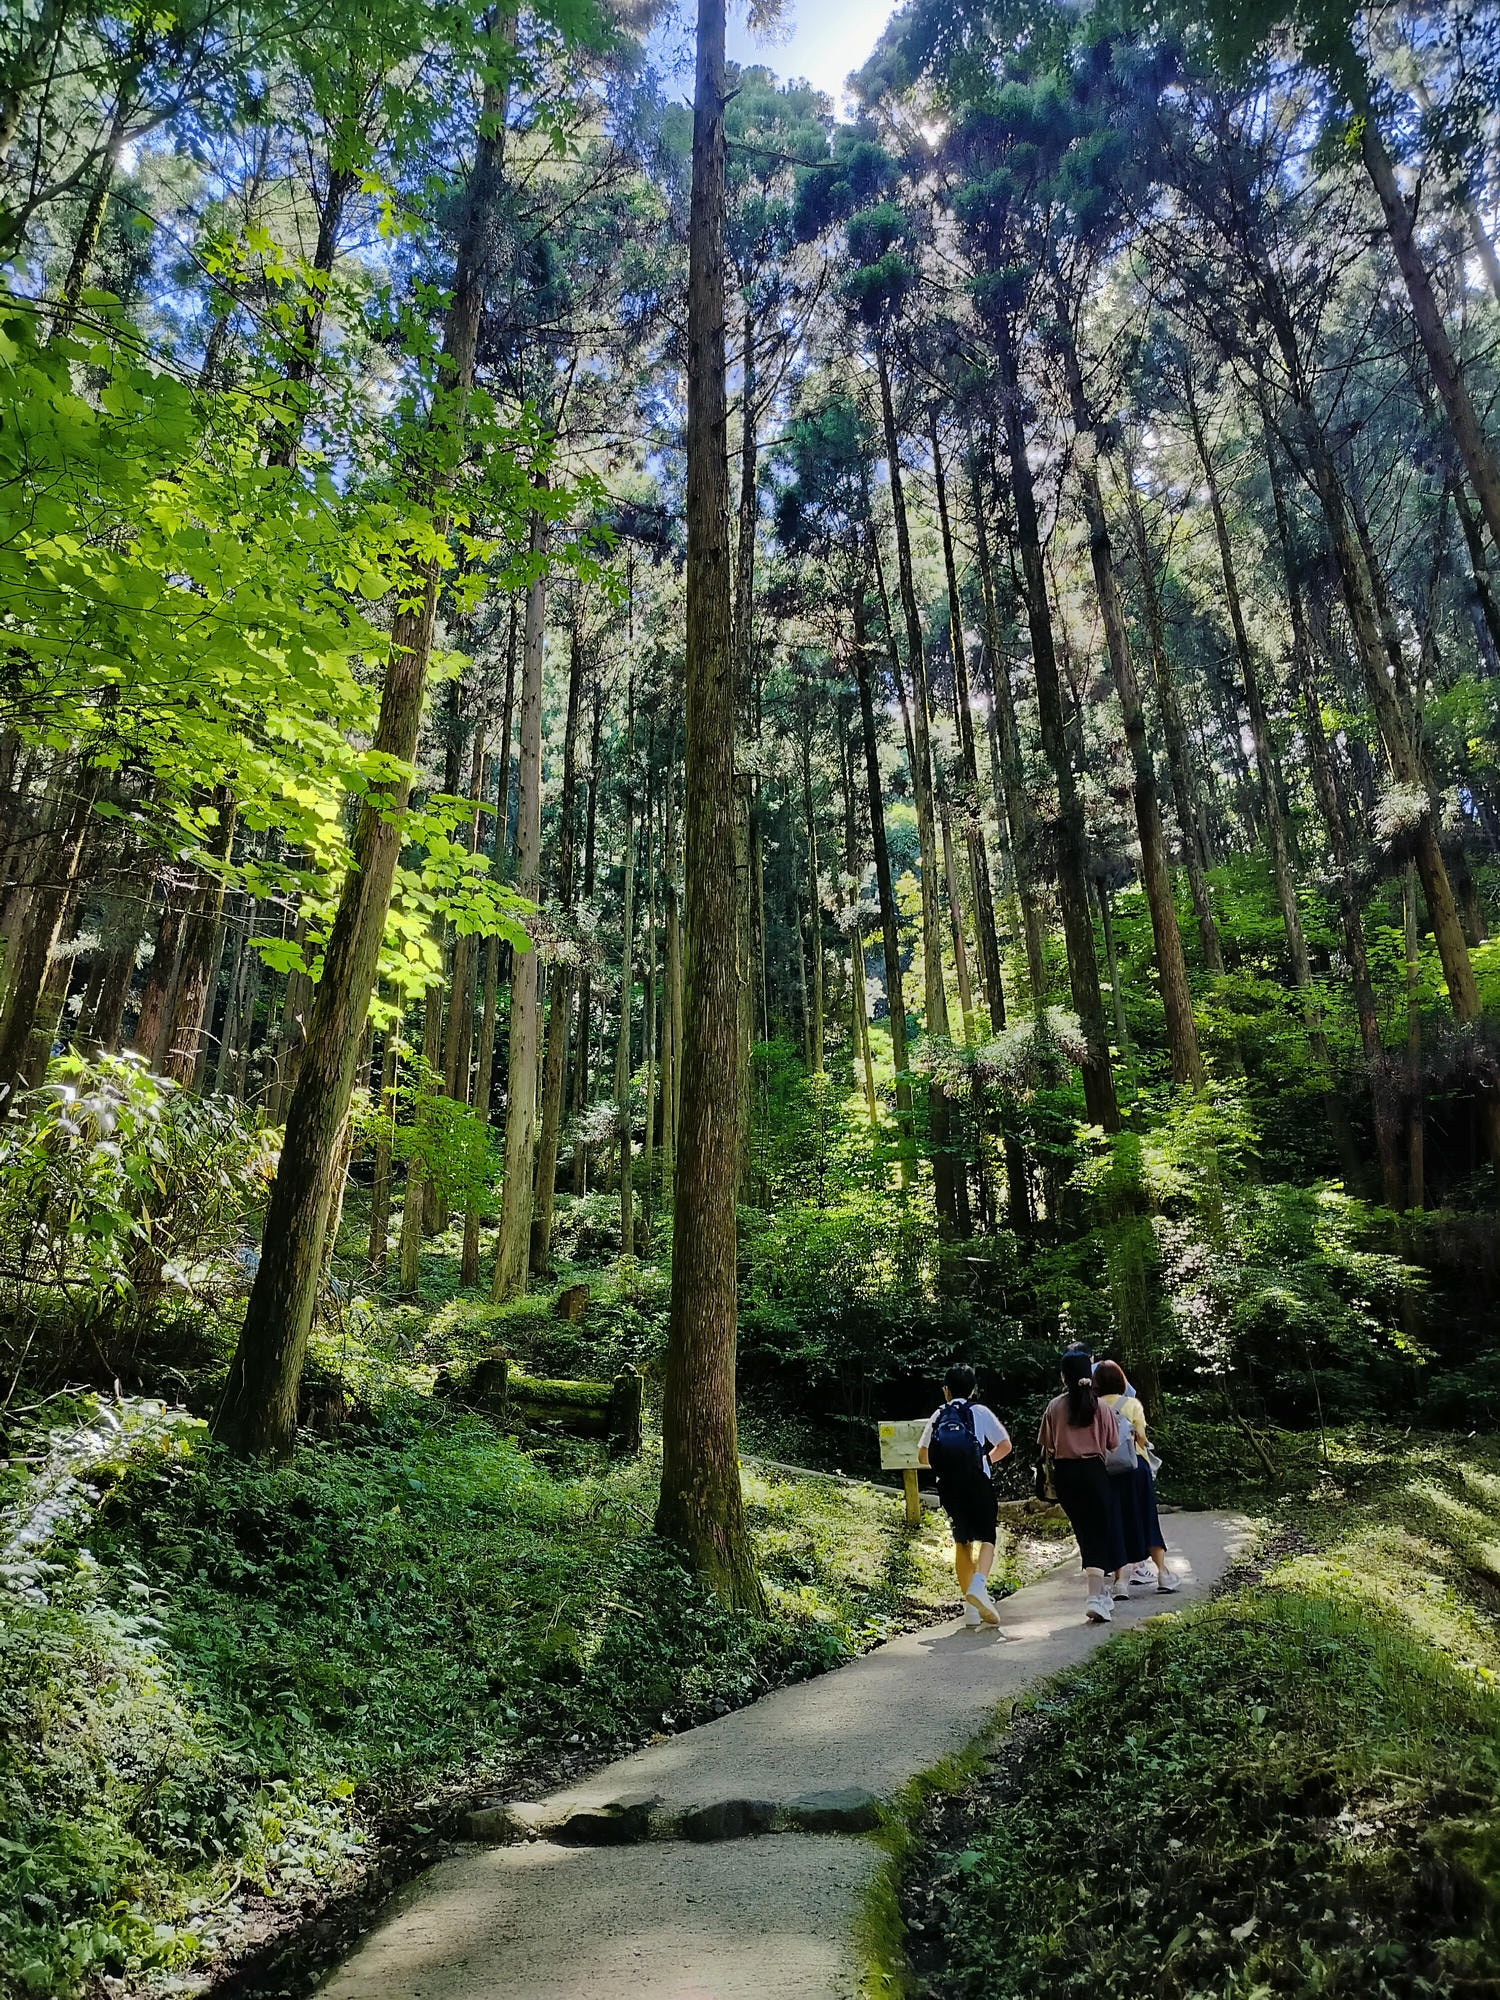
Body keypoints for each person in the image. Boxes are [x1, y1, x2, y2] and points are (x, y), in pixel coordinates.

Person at [918, 1363, 1012, 1629]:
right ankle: (979, 1585)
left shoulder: (938, 1414)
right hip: (978, 1481)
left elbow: (922, 1455)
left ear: (946, 1391)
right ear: (973, 1390)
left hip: (948, 1486)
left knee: (962, 1542)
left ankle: (971, 1610)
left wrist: (947, 1466)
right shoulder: (979, 1411)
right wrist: (985, 1460)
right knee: (987, 1537)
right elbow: (1005, 1445)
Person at [1037, 1351, 1127, 1624]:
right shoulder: (1101, 1408)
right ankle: (1095, 1597)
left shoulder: (1054, 1407)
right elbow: (1112, 1444)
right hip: (1094, 1472)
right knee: (1098, 1532)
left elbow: (1048, 1445)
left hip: (1066, 1475)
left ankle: (1100, 1594)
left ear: (1064, 1376)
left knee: (1084, 1532)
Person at [1093, 1360, 1178, 1597]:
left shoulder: (1093, 1407)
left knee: (1116, 1522)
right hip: (1135, 1467)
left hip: (1107, 1471)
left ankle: (1120, 1583)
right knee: (1147, 1518)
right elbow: (1140, 1437)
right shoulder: (1132, 1404)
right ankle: (1163, 1574)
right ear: (1121, 1381)